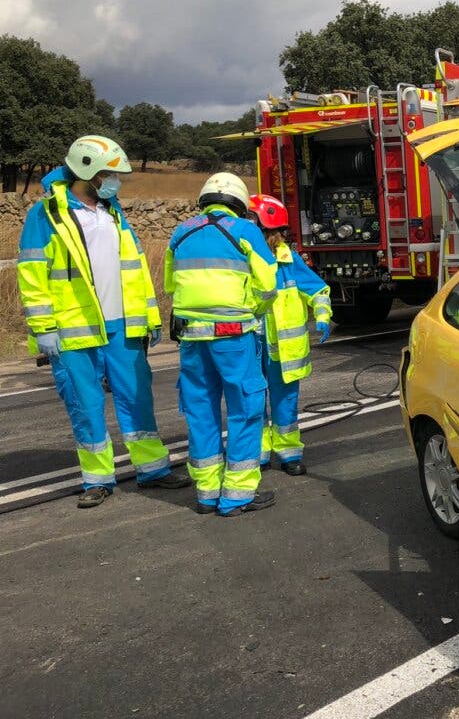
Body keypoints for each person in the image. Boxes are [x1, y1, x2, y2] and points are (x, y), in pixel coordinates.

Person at [17, 135, 188, 508]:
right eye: (110, 173)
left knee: (137, 397)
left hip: (123, 326)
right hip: (74, 330)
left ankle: (153, 469)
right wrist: (43, 328)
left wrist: (149, 316)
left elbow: (136, 268)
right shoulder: (46, 216)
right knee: (85, 403)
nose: (116, 181)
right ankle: (97, 479)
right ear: (87, 171)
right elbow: (32, 274)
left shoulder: (114, 211)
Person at [165, 173, 278, 516]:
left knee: (200, 412)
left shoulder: (181, 232)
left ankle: (206, 492)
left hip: (191, 339)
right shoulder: (245, 230)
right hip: (233, 337)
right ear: (240, 203)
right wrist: (253, 311)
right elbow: (269, 282)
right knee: (245, 410)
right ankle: (237, 495)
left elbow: (172, 283)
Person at [246, 194, 332, 476]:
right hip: (253, 345)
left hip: (284, 351)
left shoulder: (288, 259)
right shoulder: (240, 259)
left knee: (285, 405)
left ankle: (288, 453)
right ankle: (257, 453)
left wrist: (322, 315)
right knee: (252, 401)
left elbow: (317, 290)